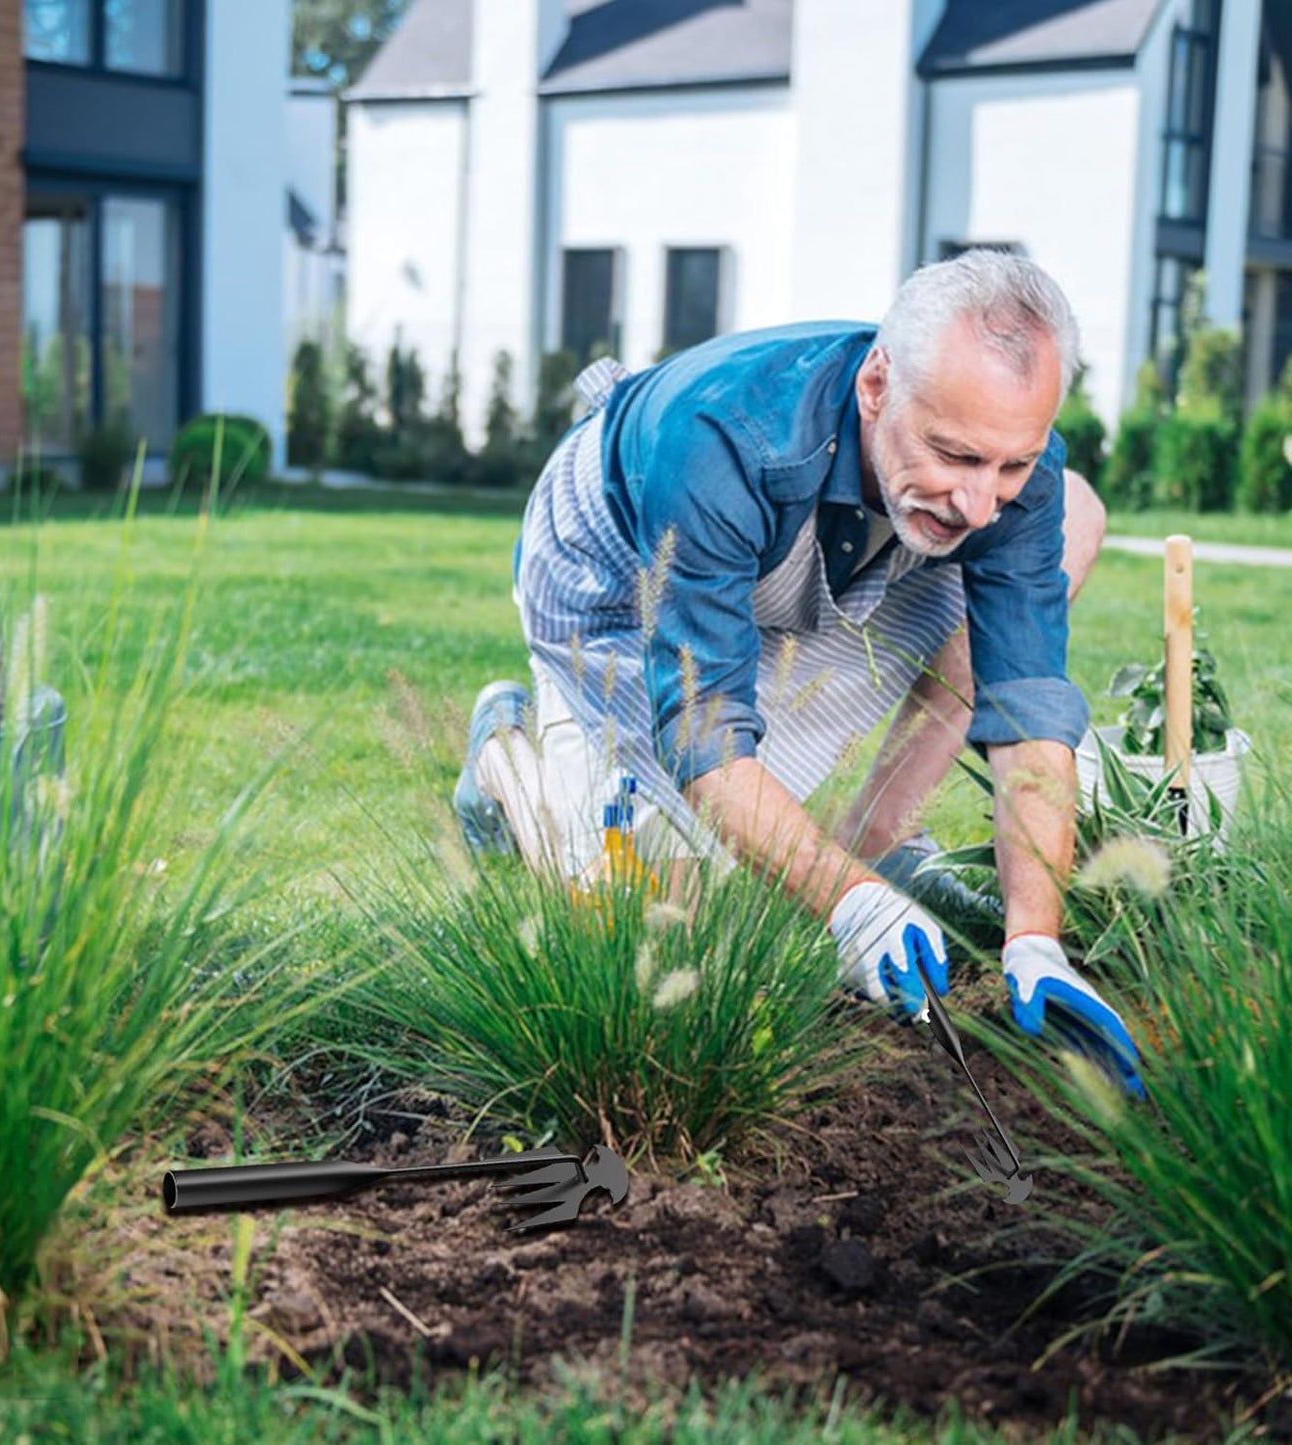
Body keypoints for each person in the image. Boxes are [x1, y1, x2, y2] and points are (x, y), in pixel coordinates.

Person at [454, 249, 1143, 1095]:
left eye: (1008, 464)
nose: (978, 503)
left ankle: (880, 842)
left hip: (829, 545)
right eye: (955, 455)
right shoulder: (715, 438)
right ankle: (509, 762)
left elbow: (1027, 709)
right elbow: (704, 738)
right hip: (615, 578)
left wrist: (1035, 936)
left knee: (1068, 509)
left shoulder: (995, 480)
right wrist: (845, 904)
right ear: (875, 385)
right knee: (650, 922)